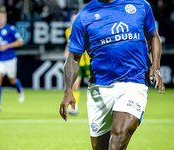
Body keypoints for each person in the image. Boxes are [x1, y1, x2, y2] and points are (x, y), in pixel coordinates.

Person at [59, 0, 165, 150]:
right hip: (99, 89)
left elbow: (153, 36)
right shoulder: (84, 16)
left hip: (133, 83)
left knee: (119, 138)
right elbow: (73, 58)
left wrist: (156, 66)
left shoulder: (140, 5)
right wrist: (68, 90)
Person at [0, 8, 24, 112]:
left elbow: (20, 41)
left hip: (10, 58)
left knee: (12, 79)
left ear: (5, 18)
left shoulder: (11, 29)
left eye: (1, 17)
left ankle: (19, 90)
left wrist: (7, 46)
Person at [64, 13, 90, 115]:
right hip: (77, 61)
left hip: (89, 61)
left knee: (94, 85)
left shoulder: (88, 29)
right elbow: (69, 43)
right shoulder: (68, 31)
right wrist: (66, 51)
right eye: (72, 19)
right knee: (75, 85)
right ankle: (74, 108)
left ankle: (97, 107)